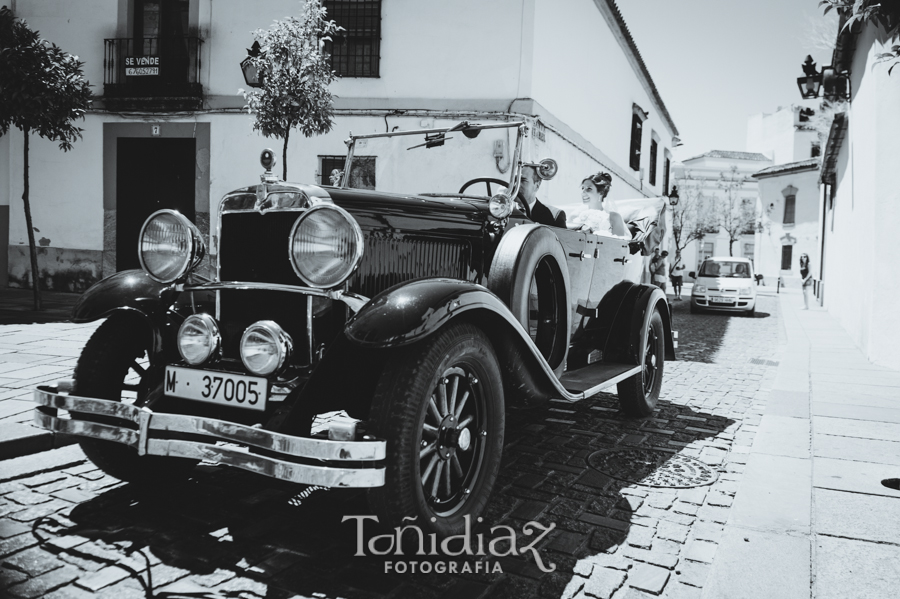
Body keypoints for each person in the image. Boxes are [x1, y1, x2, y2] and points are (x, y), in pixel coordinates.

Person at [567, 172, 629, 237]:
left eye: (589, 189)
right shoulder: (574, 217)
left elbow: (619, 244)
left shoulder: (614, 217)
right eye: (583, 188)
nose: (583, 193)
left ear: (601, 193)